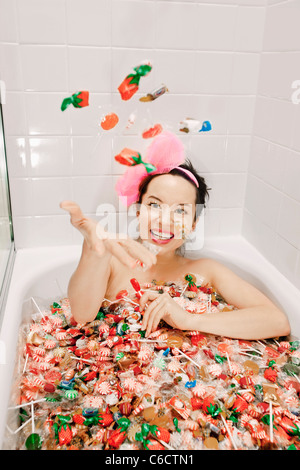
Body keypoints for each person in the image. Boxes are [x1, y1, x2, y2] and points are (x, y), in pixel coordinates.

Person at [60, 131, 290, 340]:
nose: (164, 219)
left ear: (193, 224)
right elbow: (82, 316)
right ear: (139, 211)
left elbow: (276, 321)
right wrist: (93, 249)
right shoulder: (112, 262)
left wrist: (189, 319)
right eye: (155, 205)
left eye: (180, 210)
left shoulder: (207, 271)